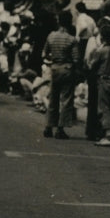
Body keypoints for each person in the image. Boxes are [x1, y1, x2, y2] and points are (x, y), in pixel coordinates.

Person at [42, 10, 79, 140]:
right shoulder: (72, 39)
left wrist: (53, 59)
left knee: (53, 98)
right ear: (70, 22)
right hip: (67, 69)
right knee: (66, 100)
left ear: (59, 21)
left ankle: (48, 126)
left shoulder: (51, 36)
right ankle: (60, 129)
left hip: (54, 68)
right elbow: (76, 59)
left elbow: (44, 54)